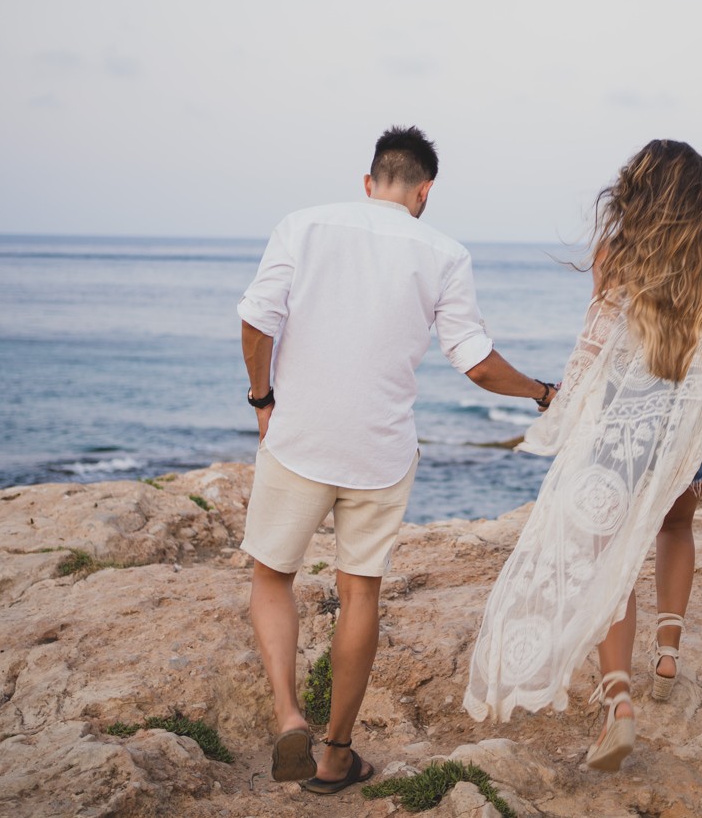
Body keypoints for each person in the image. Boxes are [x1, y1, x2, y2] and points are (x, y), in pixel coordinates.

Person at [238, 125, 556, 795]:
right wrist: (542, 391)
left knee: (273, 577)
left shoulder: (304, 224)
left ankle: (288, 712)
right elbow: (473, 361)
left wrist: (262, 397)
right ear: (424, 192)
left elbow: (257, 318)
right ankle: (333, 758)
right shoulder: (445, 252)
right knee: (359, 592)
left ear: (368, 181)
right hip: (379, 449)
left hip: (299, 437)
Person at [462, 139, 702, 772]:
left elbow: (595, 349)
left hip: (622, 431)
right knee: (674, 527)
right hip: (692, 433)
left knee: (612, 560)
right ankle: (669, 653)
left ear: (638, 192)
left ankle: (619, 702)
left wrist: (560, 408)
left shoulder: (615, 256)